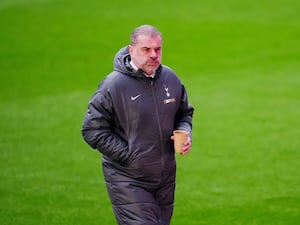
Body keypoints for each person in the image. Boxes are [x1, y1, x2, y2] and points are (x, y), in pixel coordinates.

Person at [81, 24, 194, 225]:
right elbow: (92, 129)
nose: (153, 55)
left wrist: (185, 132)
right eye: (146, 49)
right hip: (128, 179)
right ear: (131, 50)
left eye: (158, 49)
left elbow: (184, 113)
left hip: (165, 177)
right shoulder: (113, 85)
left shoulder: (170, 78)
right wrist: (130, 156)